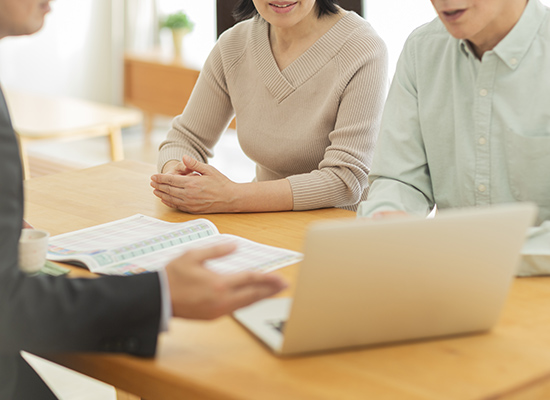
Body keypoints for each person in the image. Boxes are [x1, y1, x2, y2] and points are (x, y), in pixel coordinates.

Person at [0, 1, 286, 398]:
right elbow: (7, 306)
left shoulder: (359, 45)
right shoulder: (236, 44)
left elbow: (346, 178)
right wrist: (160, 293)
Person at [357, 0, 550, 275]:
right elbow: (399, 178)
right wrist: (386, 224)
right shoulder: (422, 48)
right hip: (447, 283)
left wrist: (464, 250)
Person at [151, 0, 388, 214]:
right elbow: (185, 139)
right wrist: (176, 177)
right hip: (264, 221)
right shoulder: (234, 45)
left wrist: (230, 196)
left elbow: (345, 180)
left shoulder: (363, 48)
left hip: (342, 229)